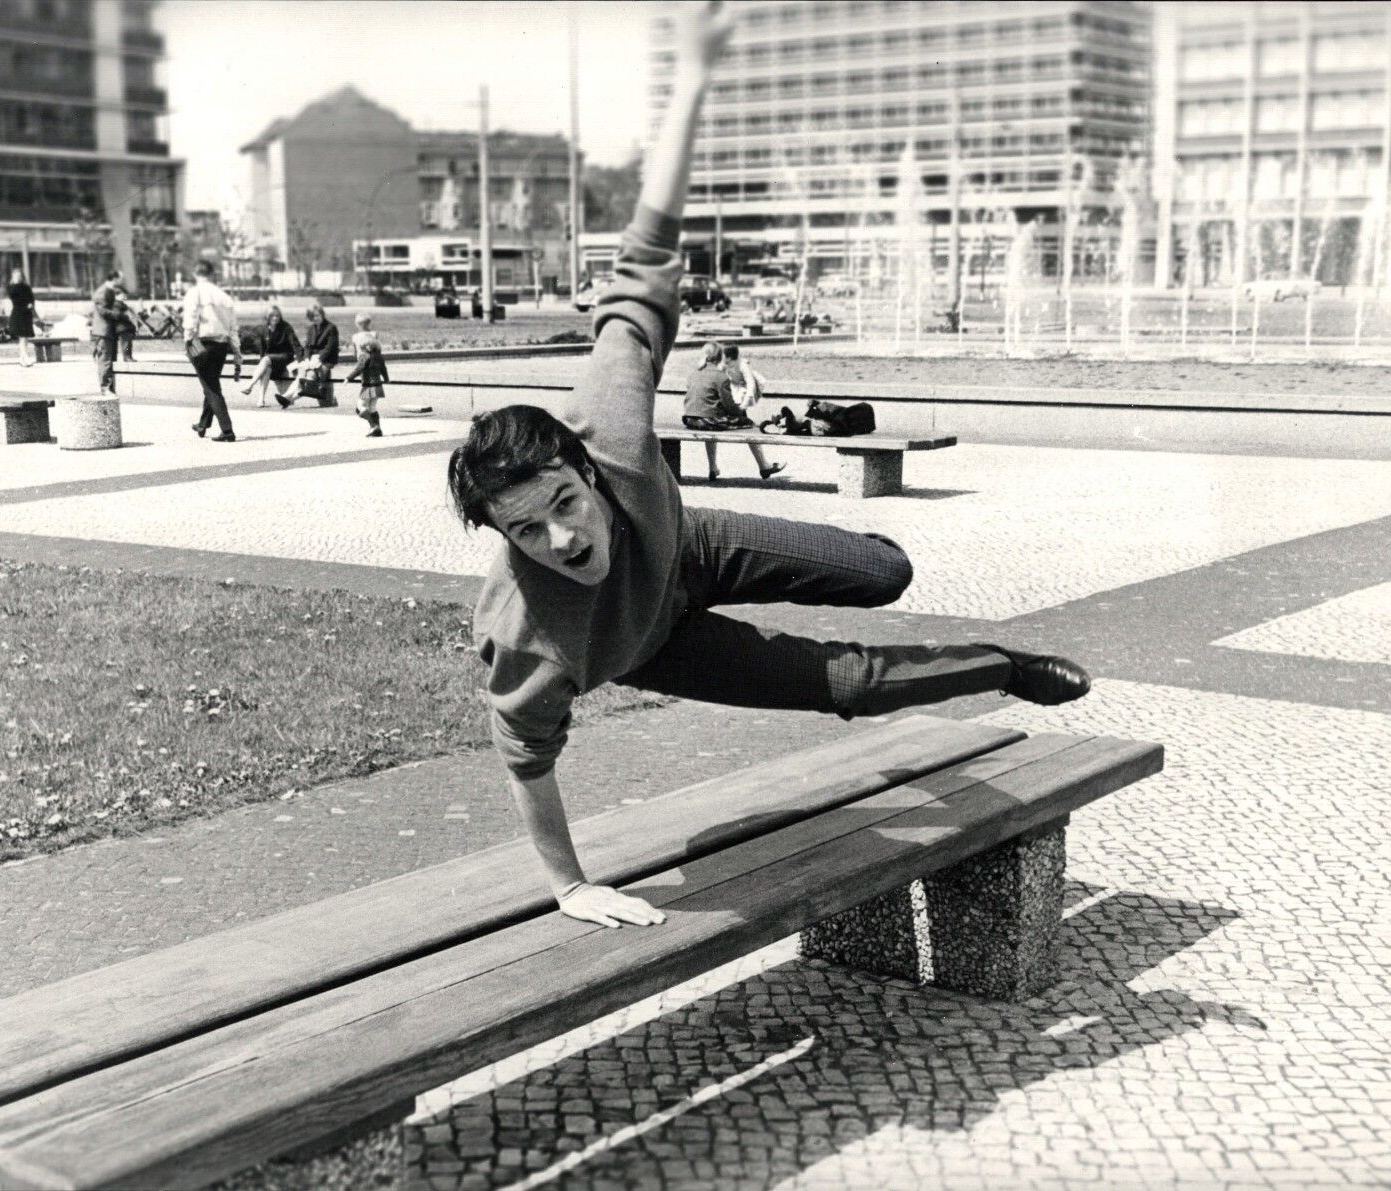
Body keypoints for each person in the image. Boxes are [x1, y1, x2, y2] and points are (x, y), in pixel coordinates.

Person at [445, 1, 1091, 932]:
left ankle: (860, 569)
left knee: (885, 571)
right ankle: (1000, 665)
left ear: (582, 469)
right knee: (851, 687)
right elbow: (527, 765)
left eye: (562, 504)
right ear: (502, 540)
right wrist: (571, 885)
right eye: (527, 533)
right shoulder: (529, 638)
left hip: (693, 547)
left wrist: (696, 80)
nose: (560, 537)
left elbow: (646, 246)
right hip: (650, 643)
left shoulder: (611, 426)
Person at [683, 341, 784, 482]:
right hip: (708, 421)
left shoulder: (695, 372)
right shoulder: (720, 376)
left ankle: (713, 468)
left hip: (690, 419)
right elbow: (730, 406)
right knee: (747, 423)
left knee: (713, 421)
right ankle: (764, 465)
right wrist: (741, 409)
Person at [182, 260, 242, 442]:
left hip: (203, 344)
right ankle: (203, 424)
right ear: (212, 274)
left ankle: (227, 430)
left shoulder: (195, 293)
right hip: (221, 346)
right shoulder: (224, 296)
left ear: (195, 273)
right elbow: (233, 327)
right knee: (211, 383)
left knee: (210, 387)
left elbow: (190, 319)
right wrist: (237, 350)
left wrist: (188, 340)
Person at [278, 301, 339, 407]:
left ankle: (288, 397)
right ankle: (287, 397)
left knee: (310, 376)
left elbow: (330, 347)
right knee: (302, 372)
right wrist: (306, 359)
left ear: (322, 314)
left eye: (317, 315)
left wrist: (319, 359)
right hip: (312, 359)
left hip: (326, 358)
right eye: (313, 316)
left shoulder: (331, 327)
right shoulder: (311, 329)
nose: (315, 318)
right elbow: (307, 347)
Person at [241, 305, 302, 408]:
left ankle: (250, 385)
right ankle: (261, 400)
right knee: (266, 368)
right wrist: (262, 366)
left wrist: (301, 360)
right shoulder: (264, 329)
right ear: (268, 317)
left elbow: (295, 344)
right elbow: (263, 350)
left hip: (285, 358)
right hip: (271, 362)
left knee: (266, 359)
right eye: (272, 316)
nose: (275, 318)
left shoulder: (286, 327)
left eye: (277, 316)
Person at [345, 312, 389, 437]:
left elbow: (358, 363)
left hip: (368, 383)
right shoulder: (375, 341)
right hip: (378, 384)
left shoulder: (356, 339)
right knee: (373, 407)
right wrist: (386, 378)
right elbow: (383, 367)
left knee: (360, 407)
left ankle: (373, 426)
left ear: (357, 324)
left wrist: (348, 378)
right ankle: (377, 429)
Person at [90, 267, 123, 395]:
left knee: (110, 359)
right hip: (103, 331)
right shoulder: (102, 292)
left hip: (109, 331)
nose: (122, 281)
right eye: (120, 278)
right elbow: (102, 310)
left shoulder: (110, 291)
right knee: (105, 359)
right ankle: (105, 387)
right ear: (114, 278)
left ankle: (110, 387)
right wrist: (119, 315)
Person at [6, 268, 37, 367]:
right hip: (18, 313)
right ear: (13, 277)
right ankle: (26, 357)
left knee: (25, 337)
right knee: (22, 337)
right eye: (16, 276)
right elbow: (15, 299)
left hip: (27, 314)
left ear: (22, 277)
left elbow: (31, 298)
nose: (18, 278)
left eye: (19, 276)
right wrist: (15, 283)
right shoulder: (11, 287)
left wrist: (31, 304)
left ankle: (21, 359)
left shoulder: (26, 287)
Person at [113, 298, 137, 363]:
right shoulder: (116, 304)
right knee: (125, 343)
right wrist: (127, 316)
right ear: (117, 296)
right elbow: (117, 315)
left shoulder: (121, 304)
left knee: (128, 343)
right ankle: (127, 357)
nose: (125, 297)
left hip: (125, 326)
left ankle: (128, 356)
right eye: (123, 295)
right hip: (122, 327)